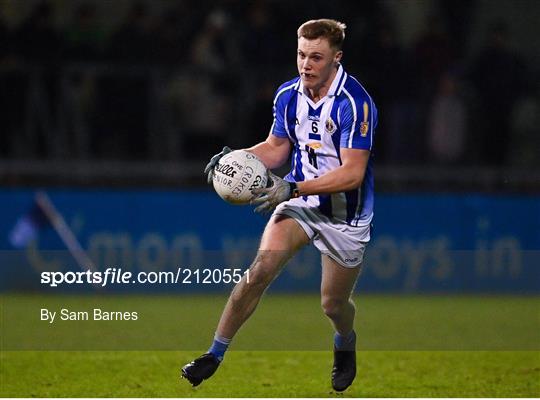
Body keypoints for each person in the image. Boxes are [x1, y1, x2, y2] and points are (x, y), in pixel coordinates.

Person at [181, 19, 377, 392]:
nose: (306, 64)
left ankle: (345, 341)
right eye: (302, 54)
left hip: (343, 213)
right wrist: (235, 158)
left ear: (336, 58)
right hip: (299, 201)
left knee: (333, 305)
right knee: (260, 270)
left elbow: (353, 174)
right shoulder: (288, 95)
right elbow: (276, 148)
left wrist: (293, 186)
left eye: (316, 57)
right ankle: (214, 353)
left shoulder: (356, 103)